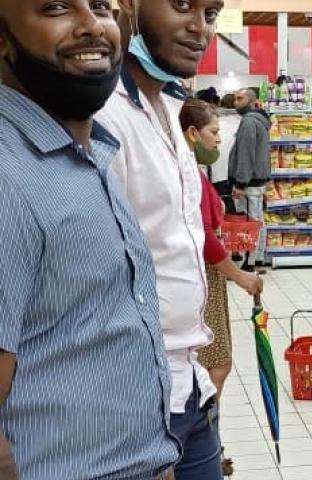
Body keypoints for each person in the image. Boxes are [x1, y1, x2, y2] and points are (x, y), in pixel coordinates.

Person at [0, 1, 180, 479]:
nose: (92, 26)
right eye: (56, 7)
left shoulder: (86, 152)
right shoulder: (7, 174)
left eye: (100, 5)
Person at [95, 1, 225, 478]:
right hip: (134, 395)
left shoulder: (171, 105)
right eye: (182, 5)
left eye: (211, 12)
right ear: (129, 5)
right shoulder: (103, 115)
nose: (199, 27)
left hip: (189, 383)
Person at [179, 98, 264, 476]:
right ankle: (206, 445)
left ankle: (211, 444)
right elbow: (204, 239)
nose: (218, 139)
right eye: (213, 132)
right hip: (204, 278)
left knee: (213, 365)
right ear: (192, 133)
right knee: (215, 366)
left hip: (206, 277)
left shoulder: (193, 169)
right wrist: (240, 276)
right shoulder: (188, 173)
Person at [228, 88, 271, 272]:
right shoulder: (261, 121)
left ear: (252, 102)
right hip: (258, 181)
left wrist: (240, 183)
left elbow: (245, 154)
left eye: (240, 99)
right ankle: (258, 258)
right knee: (258, 219)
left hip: (249, 182)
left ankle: (249, 261)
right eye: (235, 99)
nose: (235, 103)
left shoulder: (248, 121)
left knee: (249, 222)